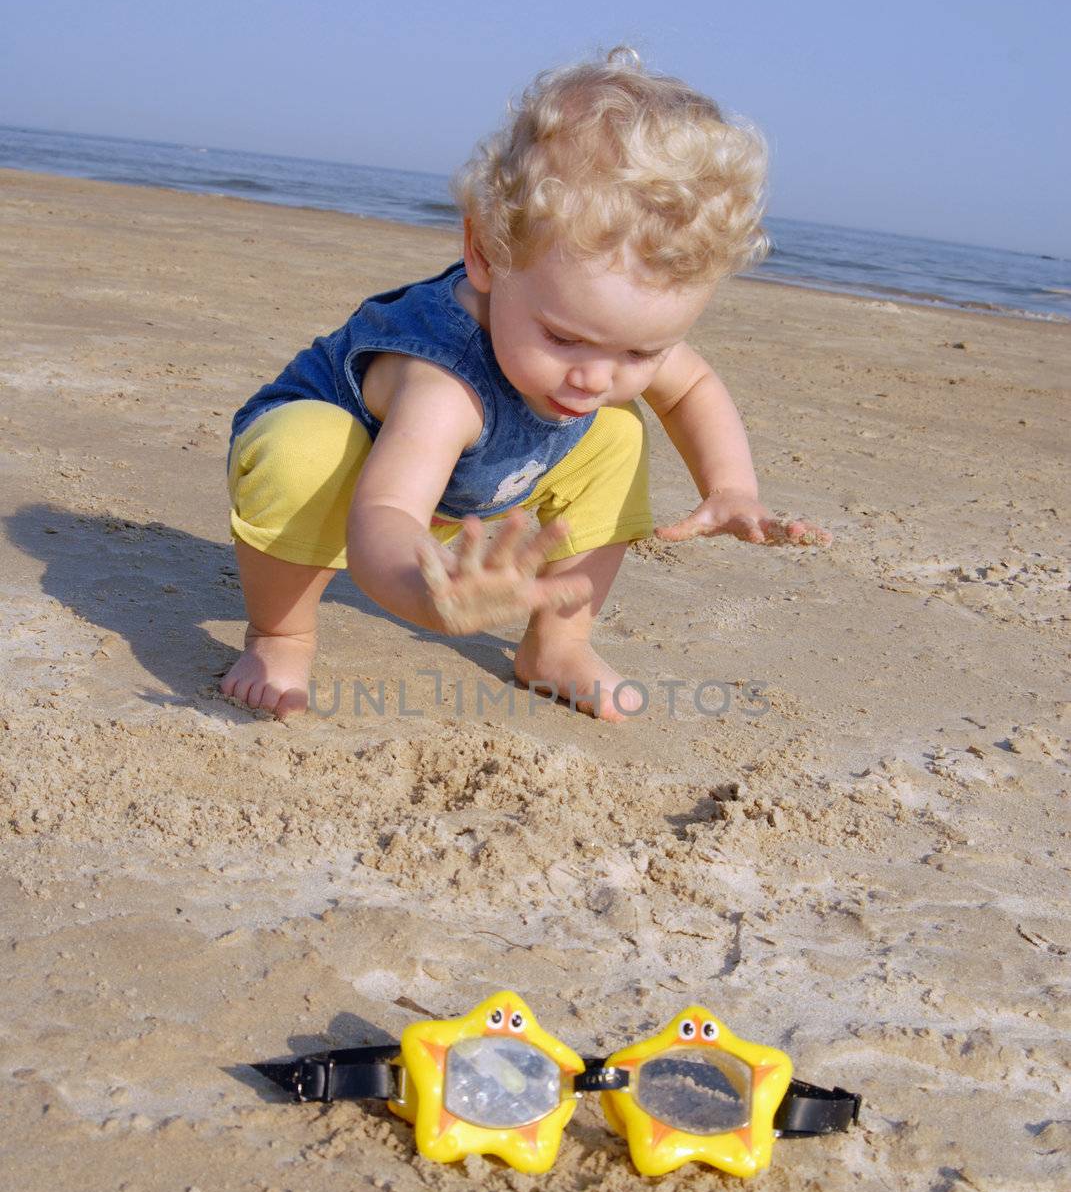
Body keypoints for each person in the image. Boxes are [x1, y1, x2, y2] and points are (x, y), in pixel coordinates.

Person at [222, 48, 829, 723]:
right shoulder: (442, 383)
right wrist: (426, 596)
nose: (596, 376)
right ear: (485, 255)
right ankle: (280, 633)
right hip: (355, 482)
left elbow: (690, 388)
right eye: (564, 338)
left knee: (618, 433)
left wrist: (729, 488)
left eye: (638, 349)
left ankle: (557, 644)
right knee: (304, 448)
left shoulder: (596, 342)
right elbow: (383, 516)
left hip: (466, 493)